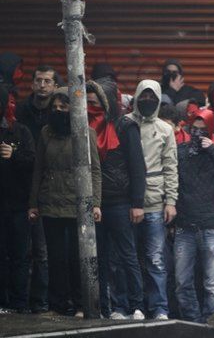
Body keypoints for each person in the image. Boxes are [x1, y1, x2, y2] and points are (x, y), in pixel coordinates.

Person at [28, 87, 102, 316]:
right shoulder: (46, 133)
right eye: (55, 107)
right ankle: (58, 305)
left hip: (77, 203)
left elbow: (96, 171)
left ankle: (81, 303)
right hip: (50, 202)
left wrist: (96, 203)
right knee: (56, 257)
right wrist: (33, 204)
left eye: (64, 107)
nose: (58, 110)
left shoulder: (85, 133)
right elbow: (38, 169)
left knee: (76, 257)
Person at [86, 80, 147, 320]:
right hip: (96, 202)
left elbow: (137, 167)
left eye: (94, 102)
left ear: (107, 102)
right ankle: (107, 306)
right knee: (100, 257)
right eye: (87, 102)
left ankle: (135, 305)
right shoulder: (85, 124)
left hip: (121, 201)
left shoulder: (125, 126)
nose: (90, 106)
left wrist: (137, 203)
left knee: (127, 256)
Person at [174, 109, 214, 323]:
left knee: (212, 283)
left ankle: (211, 323)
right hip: (185, 226)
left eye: (203, 130)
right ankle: (191, 322)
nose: (198, 134)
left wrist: (213, 150)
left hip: (211, 226)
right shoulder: (181, 151)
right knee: (183, 280)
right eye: (194, 129)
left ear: (211, 131)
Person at [126, 80, 178, 320]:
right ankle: (131, 306)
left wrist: (171, 201)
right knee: (128, 257)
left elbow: (171, 167)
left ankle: (159, 308)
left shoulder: (165, 129)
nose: (147, 100)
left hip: (156, 202)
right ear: (136, 97)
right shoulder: (124, 124)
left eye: (152, 97)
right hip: (127, 201)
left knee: (156, 259)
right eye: (143, 96)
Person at [13, 62, 53, 314]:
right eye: (38, 80)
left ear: (54, 85)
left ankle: (40, 301)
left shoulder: (60, 111)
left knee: (43, 251)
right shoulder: (21, 111)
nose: (42, 85)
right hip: (20, 186)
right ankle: (19, 301)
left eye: (47, 81)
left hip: (47, 188)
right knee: (20, 250)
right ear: (32, 83)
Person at [0, 86, 35, 314]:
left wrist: (14, 156)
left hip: (18, 205)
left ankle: (19, 303)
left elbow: (33, 164)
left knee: (20, 257)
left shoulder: (20, 131)